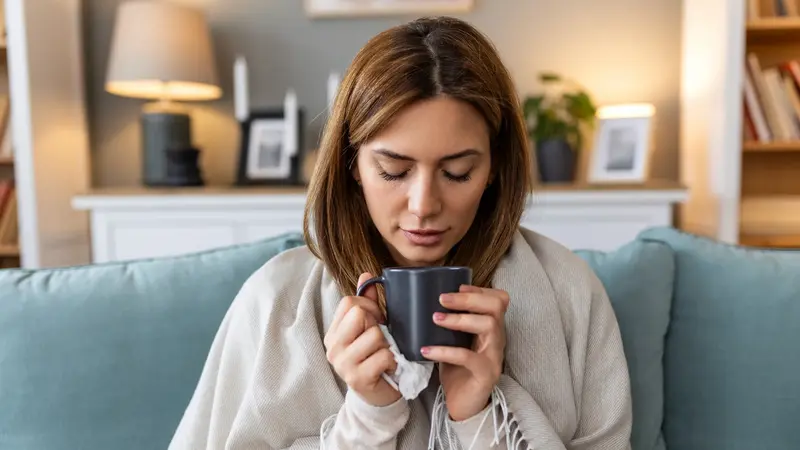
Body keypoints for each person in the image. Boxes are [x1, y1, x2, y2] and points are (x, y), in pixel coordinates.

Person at [169, 16, 632, 450]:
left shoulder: (570, 292)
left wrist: (479, 418)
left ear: (494, 168)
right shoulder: (275, 303)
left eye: (457, 172)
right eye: (393, 171)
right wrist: (368, 416)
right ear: (352, 164)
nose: (424, 206)